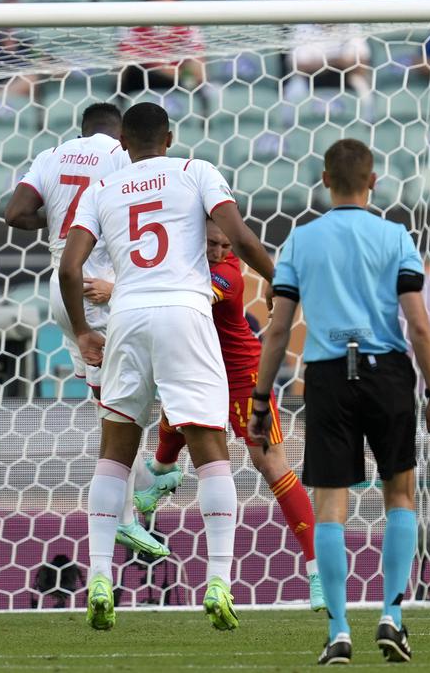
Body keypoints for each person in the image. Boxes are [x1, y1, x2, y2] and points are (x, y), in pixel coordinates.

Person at [59, 101, 275, 631]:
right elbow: (241, 240)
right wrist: (286, 279)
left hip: (128, 316)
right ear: (170, 137)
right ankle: (219, 582)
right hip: (185, 313)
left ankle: (101, 578)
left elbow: (70, 266)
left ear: (123, 146)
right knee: (209, 448)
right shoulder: (195, 171)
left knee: (114, 454)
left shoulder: (103, 189)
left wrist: (84, 329)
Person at [248, 139, 430, 665]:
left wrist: (261, 397)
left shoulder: (300, 241)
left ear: (323, 179)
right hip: (388, 373)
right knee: (400, 494)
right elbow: (420, 326)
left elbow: (278, 329)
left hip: (330, 376)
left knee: (330, 505)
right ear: (374, 181)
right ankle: (392, 615)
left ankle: (338, 631)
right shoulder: (396, 236)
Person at [5, 103, 168, 559]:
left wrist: (56, 223)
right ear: (120, 133)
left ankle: (137, 501)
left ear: (81, 130)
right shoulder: (120, 155)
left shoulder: (52, 155)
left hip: (62, 289)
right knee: (126, 408)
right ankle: (134, 512)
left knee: (111, 406)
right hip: (100, 290)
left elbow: (16, 213)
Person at [135, 219, 324, 612]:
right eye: (211, 244)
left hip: (242, 374)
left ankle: (317, 570)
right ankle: (162, 474)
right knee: (176, 417)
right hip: (199, 369)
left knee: (269, 463)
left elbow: (189, 302)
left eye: (226, 246)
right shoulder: (182, 261)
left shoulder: (227, 276)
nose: (220, 253)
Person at [118, 0, 205, 95]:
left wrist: (169, 71)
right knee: (135, 72)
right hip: (142, 83)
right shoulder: (133, 27)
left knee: (190, 82)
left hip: (177, 82)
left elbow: (198, 73)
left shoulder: (188, 28)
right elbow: (123, 71)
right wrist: (159, 67)